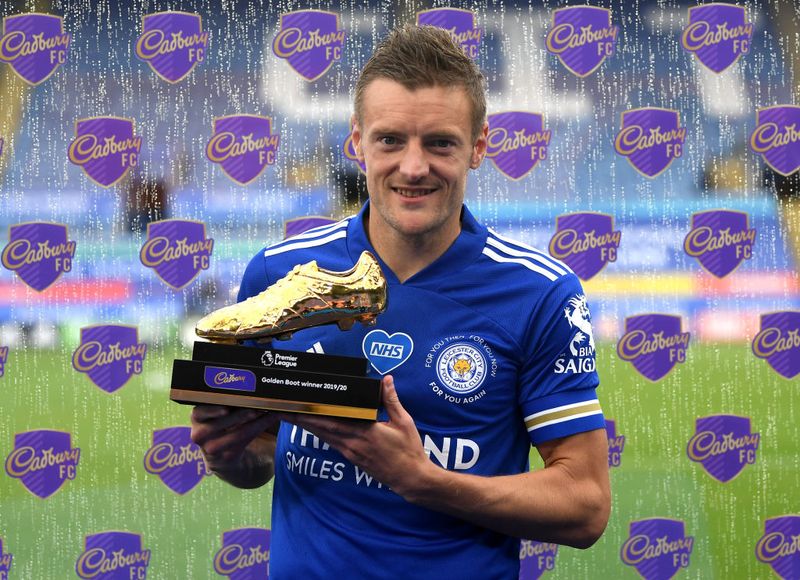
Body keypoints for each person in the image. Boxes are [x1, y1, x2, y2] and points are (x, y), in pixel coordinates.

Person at [190, 24, 610, 578]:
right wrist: (228, 454)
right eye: (390, 140)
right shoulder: (280, 275)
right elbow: (260, 456)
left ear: (478, 147)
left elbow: (585, 505)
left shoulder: (540, 295)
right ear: (356, 142)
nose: (414, 167)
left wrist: (423, 481)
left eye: (440, 142)